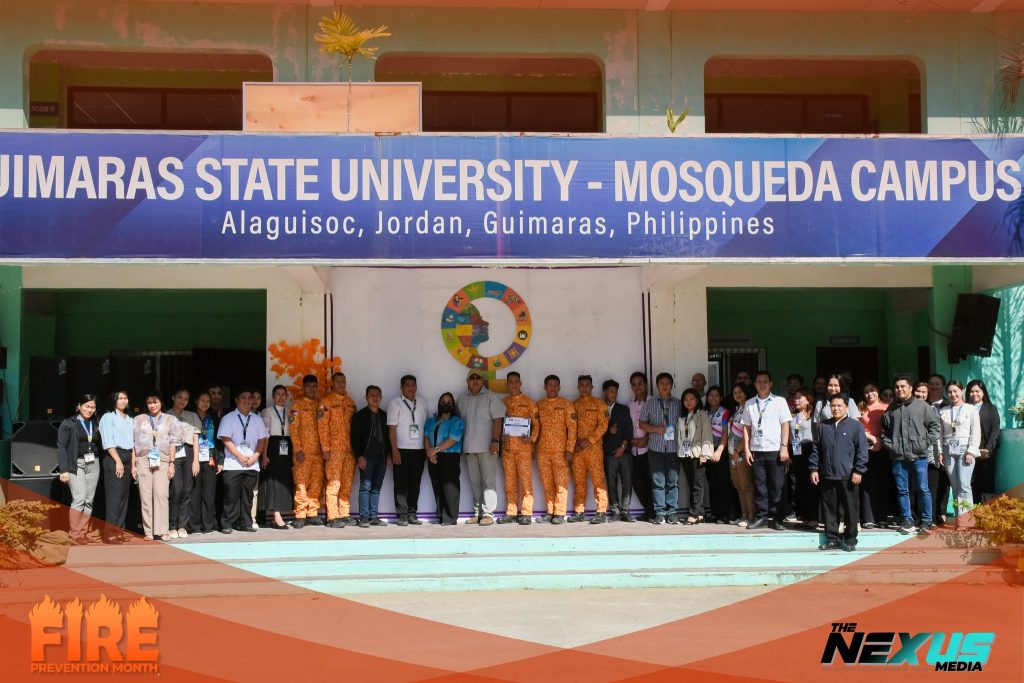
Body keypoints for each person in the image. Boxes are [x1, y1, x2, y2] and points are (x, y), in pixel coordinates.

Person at [882, 375, 941, 535]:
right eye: (897, 387)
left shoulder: (922, 406)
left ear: (910, 388)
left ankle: (926, 521)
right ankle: (907, 520)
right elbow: (884, 432)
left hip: (919, 455)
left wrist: (925, 443)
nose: (899, 389)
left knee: (923, 489)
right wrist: (891, 446)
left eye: (903, 386)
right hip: (898, 456)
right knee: (902, 490)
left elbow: (935, 426)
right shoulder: (891, 409)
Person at [810, 395, 869, 551]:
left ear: (846, 407)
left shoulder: (855, 426)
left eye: (839, 406)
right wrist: (814, 468)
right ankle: (832, 539)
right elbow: (816, 449)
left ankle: (850, 540)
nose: (836, 408)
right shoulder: (823, 426)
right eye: (833, 406)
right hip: (828, 474)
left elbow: (862, 451)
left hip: (848, 476)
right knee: (830, 509)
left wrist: (859, 470)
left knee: (851, 509)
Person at [742, 371, 792, 531]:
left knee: (777, 486)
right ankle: (762, 517)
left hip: (775, 450)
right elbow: (746, 428)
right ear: (755, 384)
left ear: (770, 384)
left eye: (765, 381)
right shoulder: (750, 403)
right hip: (757, 450)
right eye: (759, 381)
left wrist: (784, 447)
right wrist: (747, 450)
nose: (762, 384)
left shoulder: (779, 401)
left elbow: (785, 424)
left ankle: (778, 518)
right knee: (760, 486)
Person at [457, 370, 505, 526]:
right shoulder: (462, 399)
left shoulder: (491, 397)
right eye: (472, 378)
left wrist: (495, 440)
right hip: (469, 448)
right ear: (467, 381)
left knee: (488, 482)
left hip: (487, 447)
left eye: (478, 378)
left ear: (483, 380)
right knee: (475, 482)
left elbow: (498, 419)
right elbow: (458, 423)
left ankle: (488, 514)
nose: (475, 380)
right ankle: (477, 514)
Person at [218, 388, 269, 534]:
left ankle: (245, 523)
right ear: (236, 400)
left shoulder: (257, 419)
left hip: (251, 464)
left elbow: (262, 440)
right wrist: (240, 456)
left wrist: (255, 456)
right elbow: (226, 439)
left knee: (248, 496)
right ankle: (227, 523)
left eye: (250, 398)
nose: (247, 400)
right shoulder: (228, 418)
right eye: (244, 397)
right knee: (231, 496)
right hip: (233, 463)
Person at [132, 393, 181, 541]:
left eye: (155, 402)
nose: (152, 405)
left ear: (161, 403)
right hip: (143, 459)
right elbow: (133, 444)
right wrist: (133, 465)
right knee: (145, 496)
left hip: (163, 459)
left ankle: (163, 530)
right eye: (149, 403)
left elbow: (173, 443)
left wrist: (172, 463)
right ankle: (148, 531)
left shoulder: (170, 419)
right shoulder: (138, 419)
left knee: (161, 494)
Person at [57, 394, 101, 545]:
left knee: (89, 500)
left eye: (93, 407)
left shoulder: (95, 423)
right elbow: (61, 447)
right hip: (76, 464)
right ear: (79, 406)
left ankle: (83, 533)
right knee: (79, 498)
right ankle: (75, 534)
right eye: (87, 406)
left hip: (93, 463)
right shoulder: (68, 423)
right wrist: (63, 470)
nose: (90, 410)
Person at [639, 372, 681, 525]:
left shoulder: (678, 403)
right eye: (661, 383)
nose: (664, 386)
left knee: (672, 481)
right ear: (657, 386)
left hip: (673, 448)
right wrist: (656, 429)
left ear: (672, 385)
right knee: (658, 482)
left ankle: (672, 513)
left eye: (667, 383)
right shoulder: (649, 403)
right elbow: (641, 423)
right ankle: (660, 513)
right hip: (655, 448)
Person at [940, 380, 982, 528]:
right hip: (948, 449)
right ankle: (960, 518)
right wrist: (940, 452)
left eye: (955, 391)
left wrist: (971, 451)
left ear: (962, 391)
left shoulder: (971, 409)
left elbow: (976, 431)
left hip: (965, 450)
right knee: (955, 486)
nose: (953, 394)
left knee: (964, 484)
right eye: (949, 392)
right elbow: (940, 434)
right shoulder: (943, 411)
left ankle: (967, 521)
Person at [388, 374, 429, 526]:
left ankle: (412, 513)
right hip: (401, 450)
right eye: (407, 385)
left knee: (415, 483)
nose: (410, 388)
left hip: (419, 450)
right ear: (401, 387)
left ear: (416, 387)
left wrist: (426, 449)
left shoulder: (422, 403)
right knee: (400, 484)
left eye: (413, 385)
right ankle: (402, 515)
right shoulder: (395, 404)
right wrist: (394, 451)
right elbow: (392, 429)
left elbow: (425, 427)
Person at [536, 375, 577, 524]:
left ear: (559, 387)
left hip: (561, 452)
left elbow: (572, 428)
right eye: (550, 385)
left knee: (561, 483)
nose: (552, 387)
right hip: (543, 451)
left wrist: (570, 449)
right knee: (547, 483)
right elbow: (535, 428)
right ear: (545, 387)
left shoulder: (566, 404)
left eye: (555, 385)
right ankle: (550, 512)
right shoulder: (539, 405)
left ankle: (559, 513)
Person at [500, 371, 539, 525]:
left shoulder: (529, 402)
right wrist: (501, 436)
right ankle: (511, 512)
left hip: (524, 449)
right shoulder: (503, 403)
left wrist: (532, 438)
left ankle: (527, 513)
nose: (514, 385)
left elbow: (537, 425)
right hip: (508, 449)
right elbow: (498, 424)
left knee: (526, 482)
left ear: (520, 383)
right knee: (509, 482)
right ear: (507, 384)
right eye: (511, 382)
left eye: (516, 381)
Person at [321, 372, 359, 528]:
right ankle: (332, 516)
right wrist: (325, 448)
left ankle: (344, 513)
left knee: (347, 483)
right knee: (334, 482)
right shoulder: (326, 402)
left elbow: (356, 426)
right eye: (338, 381)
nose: (341, 384)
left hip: (349, 450)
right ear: (333, 383)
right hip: (334, 449)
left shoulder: (350, 402)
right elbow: (322, 426)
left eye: (343, 381)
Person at [715, 383, 755, 526]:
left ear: (746, 393)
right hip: (732, 452)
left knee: (746, 485)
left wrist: (739, 451)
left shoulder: (749, 409)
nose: (737, 395)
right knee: (738, 485)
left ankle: (751, 516)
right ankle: (744, 515)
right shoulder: (736, 410)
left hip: (742, 452)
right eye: (735, 393)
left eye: (740, 392)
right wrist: (733, 452)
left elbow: (748, 434)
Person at [571, 375, 610, 523]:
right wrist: (573, 445)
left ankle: (601, 512)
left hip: (594, 450)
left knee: (598, 480)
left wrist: (589, 440)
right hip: (577, 451)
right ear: (578, 387)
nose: (584, 388)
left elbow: (603, 425)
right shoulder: (573, 405)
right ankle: (579, 511)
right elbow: (570, 427)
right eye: (581, 385)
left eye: (587, 385)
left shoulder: (600, 404)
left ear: (592, 387)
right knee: (579, 481)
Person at [351, 385, 391, 528]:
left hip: (381, 458)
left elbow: (389, 437)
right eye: (371, 395)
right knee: (365, 487)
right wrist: (359, 456)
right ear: (366, 397)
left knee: (376, 488)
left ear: (381, 397)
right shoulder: (360, 416)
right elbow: (355, 438)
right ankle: (364, 518)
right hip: (367, 457)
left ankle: (373, 517)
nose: (374, 398)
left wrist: (389, 454)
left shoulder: (385, 415)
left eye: (377, 395)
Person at [290, 375, 326, 528]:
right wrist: (298, 449)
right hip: (303, 453)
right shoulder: (296, 405)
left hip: (318, 452)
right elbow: (293, 428)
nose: (312, 389)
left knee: (316, 483)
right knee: (301, 483)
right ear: (303, 387)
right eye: (309, 386)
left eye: (314, 386)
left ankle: (312, 513)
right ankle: (300, 515)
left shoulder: (321, 404)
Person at [98, 390, 134, 544]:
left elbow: (133, 443)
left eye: (125, 398)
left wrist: (133, 464)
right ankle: (110, 533)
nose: (123, 401)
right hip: (114, 456)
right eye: (119, 398)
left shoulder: (130, 419)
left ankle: (119, 531)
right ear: (113, 400)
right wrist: (118, 461)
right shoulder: (108, 417)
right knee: (114, 497)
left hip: (128, 456)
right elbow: (107, 441)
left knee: (124, 497)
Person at [425, 392, 465, 526]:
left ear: (453, 405)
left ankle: (450, 518)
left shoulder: (457, 421)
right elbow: (426, 437)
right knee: (437, 486)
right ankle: (441, 515)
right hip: (433, 457)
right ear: (439, 404)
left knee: (450, 487)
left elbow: (453, 439)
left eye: (448, 402)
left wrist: (434, 450)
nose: (445, 404)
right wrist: (430, 453)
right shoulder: (431, 421)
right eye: (443, 402)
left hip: (450, 457)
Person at [259, 384, 294, 530]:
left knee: (283, 481)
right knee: (273, 481)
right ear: (273, 396)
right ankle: (276, 516)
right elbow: (265, 435)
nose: (281, 397)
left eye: (283, 394)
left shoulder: (290, 411)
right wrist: (264, 455)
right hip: (272, 446)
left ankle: (277, 516)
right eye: (278, 394)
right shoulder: (267, 411)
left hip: (286, 446)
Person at [168, 388, 201, 539]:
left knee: (187, 490)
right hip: (172, 453)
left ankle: (182, 526)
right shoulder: (166, 415)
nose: (182, 401)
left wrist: (196, 460)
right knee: (176, 489)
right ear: (173, 397)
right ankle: (172, 525)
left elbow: (195, 439)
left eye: (186, 399)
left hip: (188, 452)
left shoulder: (192, 416)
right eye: (180, 397)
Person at [858, 382, 891, 529]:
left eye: (872, 390)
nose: (869, 394)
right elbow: (857, 428)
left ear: (877, 391)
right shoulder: (860, 408)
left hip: (884, 448)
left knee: (883, 483)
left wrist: (881, 442)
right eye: (866, 392)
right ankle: (868, 518)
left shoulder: (887, 407)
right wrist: (872, 438)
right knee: (867, 484)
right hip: (866, 448)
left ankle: (882, 517)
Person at [677, 388, 713, 525]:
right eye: (686, 400)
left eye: (692, 399)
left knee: (698, 485)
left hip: (698, 454)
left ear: (697, 400)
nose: (689, 402)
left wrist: (705, 454)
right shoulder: (683, 416)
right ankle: (700, 514)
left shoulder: (702, 414)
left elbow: (707, 435)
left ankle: (693, 514)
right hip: (685, 454)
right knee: (692, 484)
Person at [602, 379, 634, 523]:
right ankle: (615, 511)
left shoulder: (623, 409)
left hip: (624, 452)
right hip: (608, 453)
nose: (613, 394)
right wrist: (609, 431)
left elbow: (629, 429)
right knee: (611, 483)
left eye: (615, 392)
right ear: (604, 392)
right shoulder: (600, 408)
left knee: (627, 482)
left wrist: (623, 447)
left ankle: (625, 511)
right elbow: (595, 431)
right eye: (611, 391)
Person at [190, 392, 221, 534]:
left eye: (208, 401)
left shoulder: (213, 418)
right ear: (196, 401)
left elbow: (219, 440)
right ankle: (194, 525)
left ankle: (208, 525)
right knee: (194, 492)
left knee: (209, 493)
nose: (205, 403)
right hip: (193, 457)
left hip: (210, 457)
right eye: (202, 400)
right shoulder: (190, 417)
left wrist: (221, 460)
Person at [966, 379, 1001, 502]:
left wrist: (988, 449)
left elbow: (995, 430)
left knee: (986, 483)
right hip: (968, 452)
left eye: (977, 391)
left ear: (983, 392)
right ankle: (972, 510)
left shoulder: (991, 408)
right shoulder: (965, 408)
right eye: (971, 391)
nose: (974, 394)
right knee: (970, 483)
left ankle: (986, 511)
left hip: (985, 452)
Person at [704, 386, 734, 525]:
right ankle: (715, 513)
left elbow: (725, 433)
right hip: (707, 451)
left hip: (720, 451)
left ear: (721, 398)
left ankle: (724, 514)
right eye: (711, 395)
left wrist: (719, 451)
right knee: (712, 484)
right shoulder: (704, 412)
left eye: (717, 395)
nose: (714, 398)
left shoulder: (724, 412)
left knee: (723, 484)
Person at [789, 388, 819, 529]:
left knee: (811, 484)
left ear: (808, 399)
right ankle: (803, 514)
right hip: (796, 449)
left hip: (810, 448)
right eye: (795, 397)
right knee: (799, 483)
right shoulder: (792, 415)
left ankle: (813, 516)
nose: (796, 400)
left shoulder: (813, 415)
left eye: (800, 397)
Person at [628, 372, 654, 522]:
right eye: (634, 384)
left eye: (640, 383)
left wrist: (647, 438)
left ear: (646, 385)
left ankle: (655, 513)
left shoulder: (653, 402)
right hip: (634, 450)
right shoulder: (629, 404)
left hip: (651, 449)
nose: (637, 387)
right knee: (638, 483)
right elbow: (628, 426)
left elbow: (658, 424)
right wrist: (631, 440)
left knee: (653, 482)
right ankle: (649, 512)